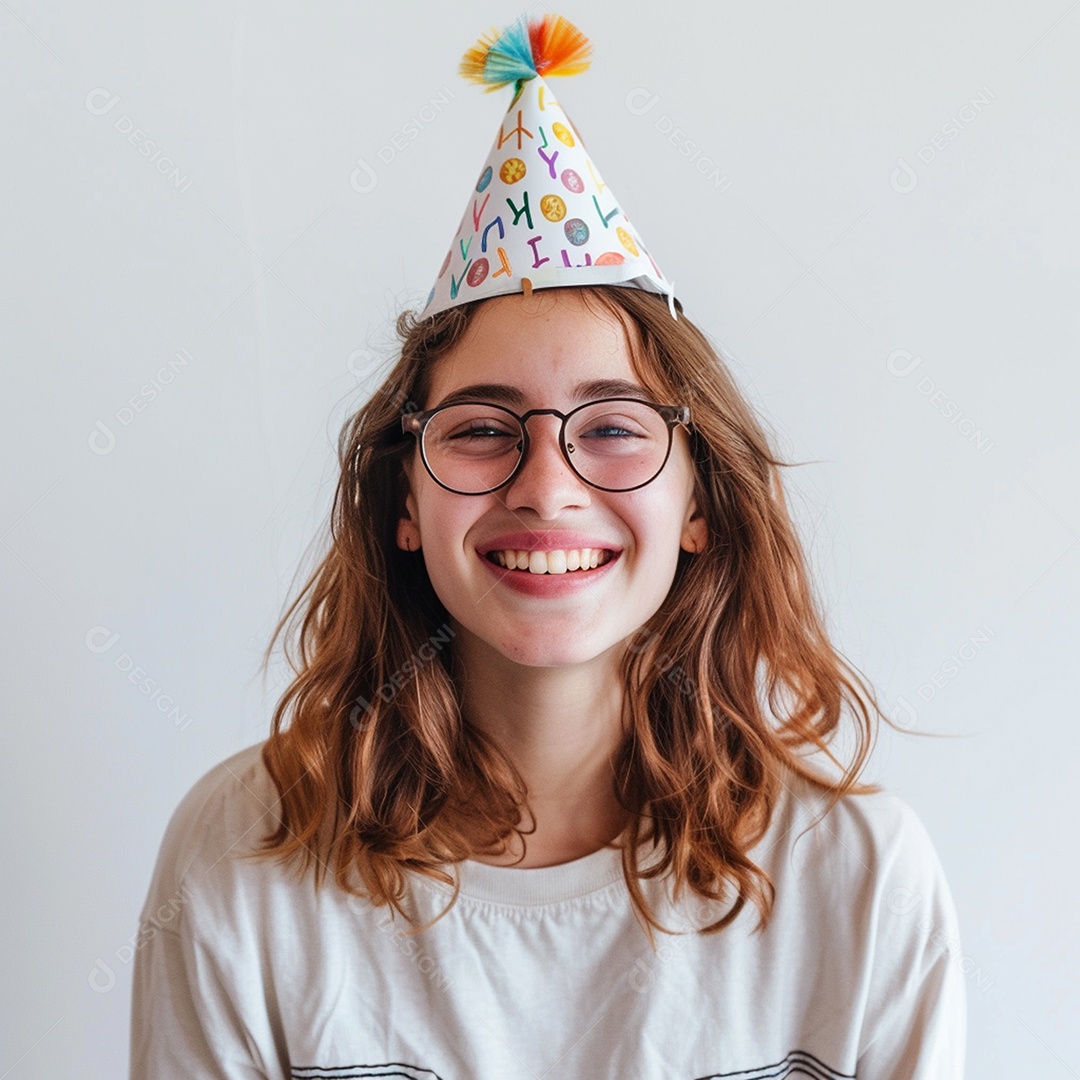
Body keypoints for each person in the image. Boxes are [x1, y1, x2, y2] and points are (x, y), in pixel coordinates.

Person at [130, 14, 966, 1079]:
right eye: (481, 430)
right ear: (403, 503)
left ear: (699, 503)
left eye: (614, 428)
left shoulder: (855, 880)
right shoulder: (243, 856)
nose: (548, 488)